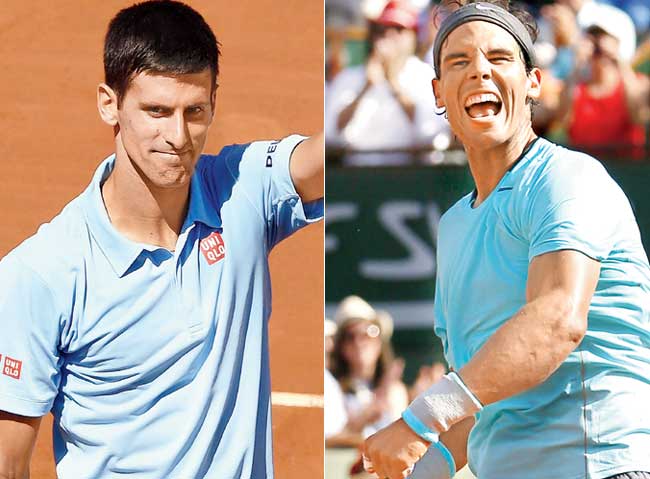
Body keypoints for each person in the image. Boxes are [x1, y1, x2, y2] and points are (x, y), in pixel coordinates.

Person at [0, 2, 323, 479]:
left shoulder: (243, 187)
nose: (178, 135)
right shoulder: (41, 274)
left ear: (214, 99)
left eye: (195, 111)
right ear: (109, 103)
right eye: (156, 110)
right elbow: (7, 462)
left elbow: (323, 159)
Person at [362, 1, 650, 478]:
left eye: (499, 58)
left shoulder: (569, 177)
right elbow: (479, 396)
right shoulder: (454, 226)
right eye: (459, 61)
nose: (479, 71)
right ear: (438, 92)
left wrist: (416, 422)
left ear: (533, 82)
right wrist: (420, 467)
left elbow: (557, 321)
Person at [325, 0, 450, 166]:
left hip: (409, 173)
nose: (388, 36)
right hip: (355, 173)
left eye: (398, 30)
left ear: (413, 36)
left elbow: (431, 135)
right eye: (382, 30)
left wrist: (393, 83)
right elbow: (330, 134)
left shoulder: (426, 76)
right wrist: (365, 88)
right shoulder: (350, 77)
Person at [330, 296, 409, 442]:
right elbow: (329, 439)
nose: (359, 342)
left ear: (380, 342)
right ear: (341, 347)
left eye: (370, 332)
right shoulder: (331, 387)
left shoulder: (395, 391)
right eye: (350, 336)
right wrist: (361, 420)